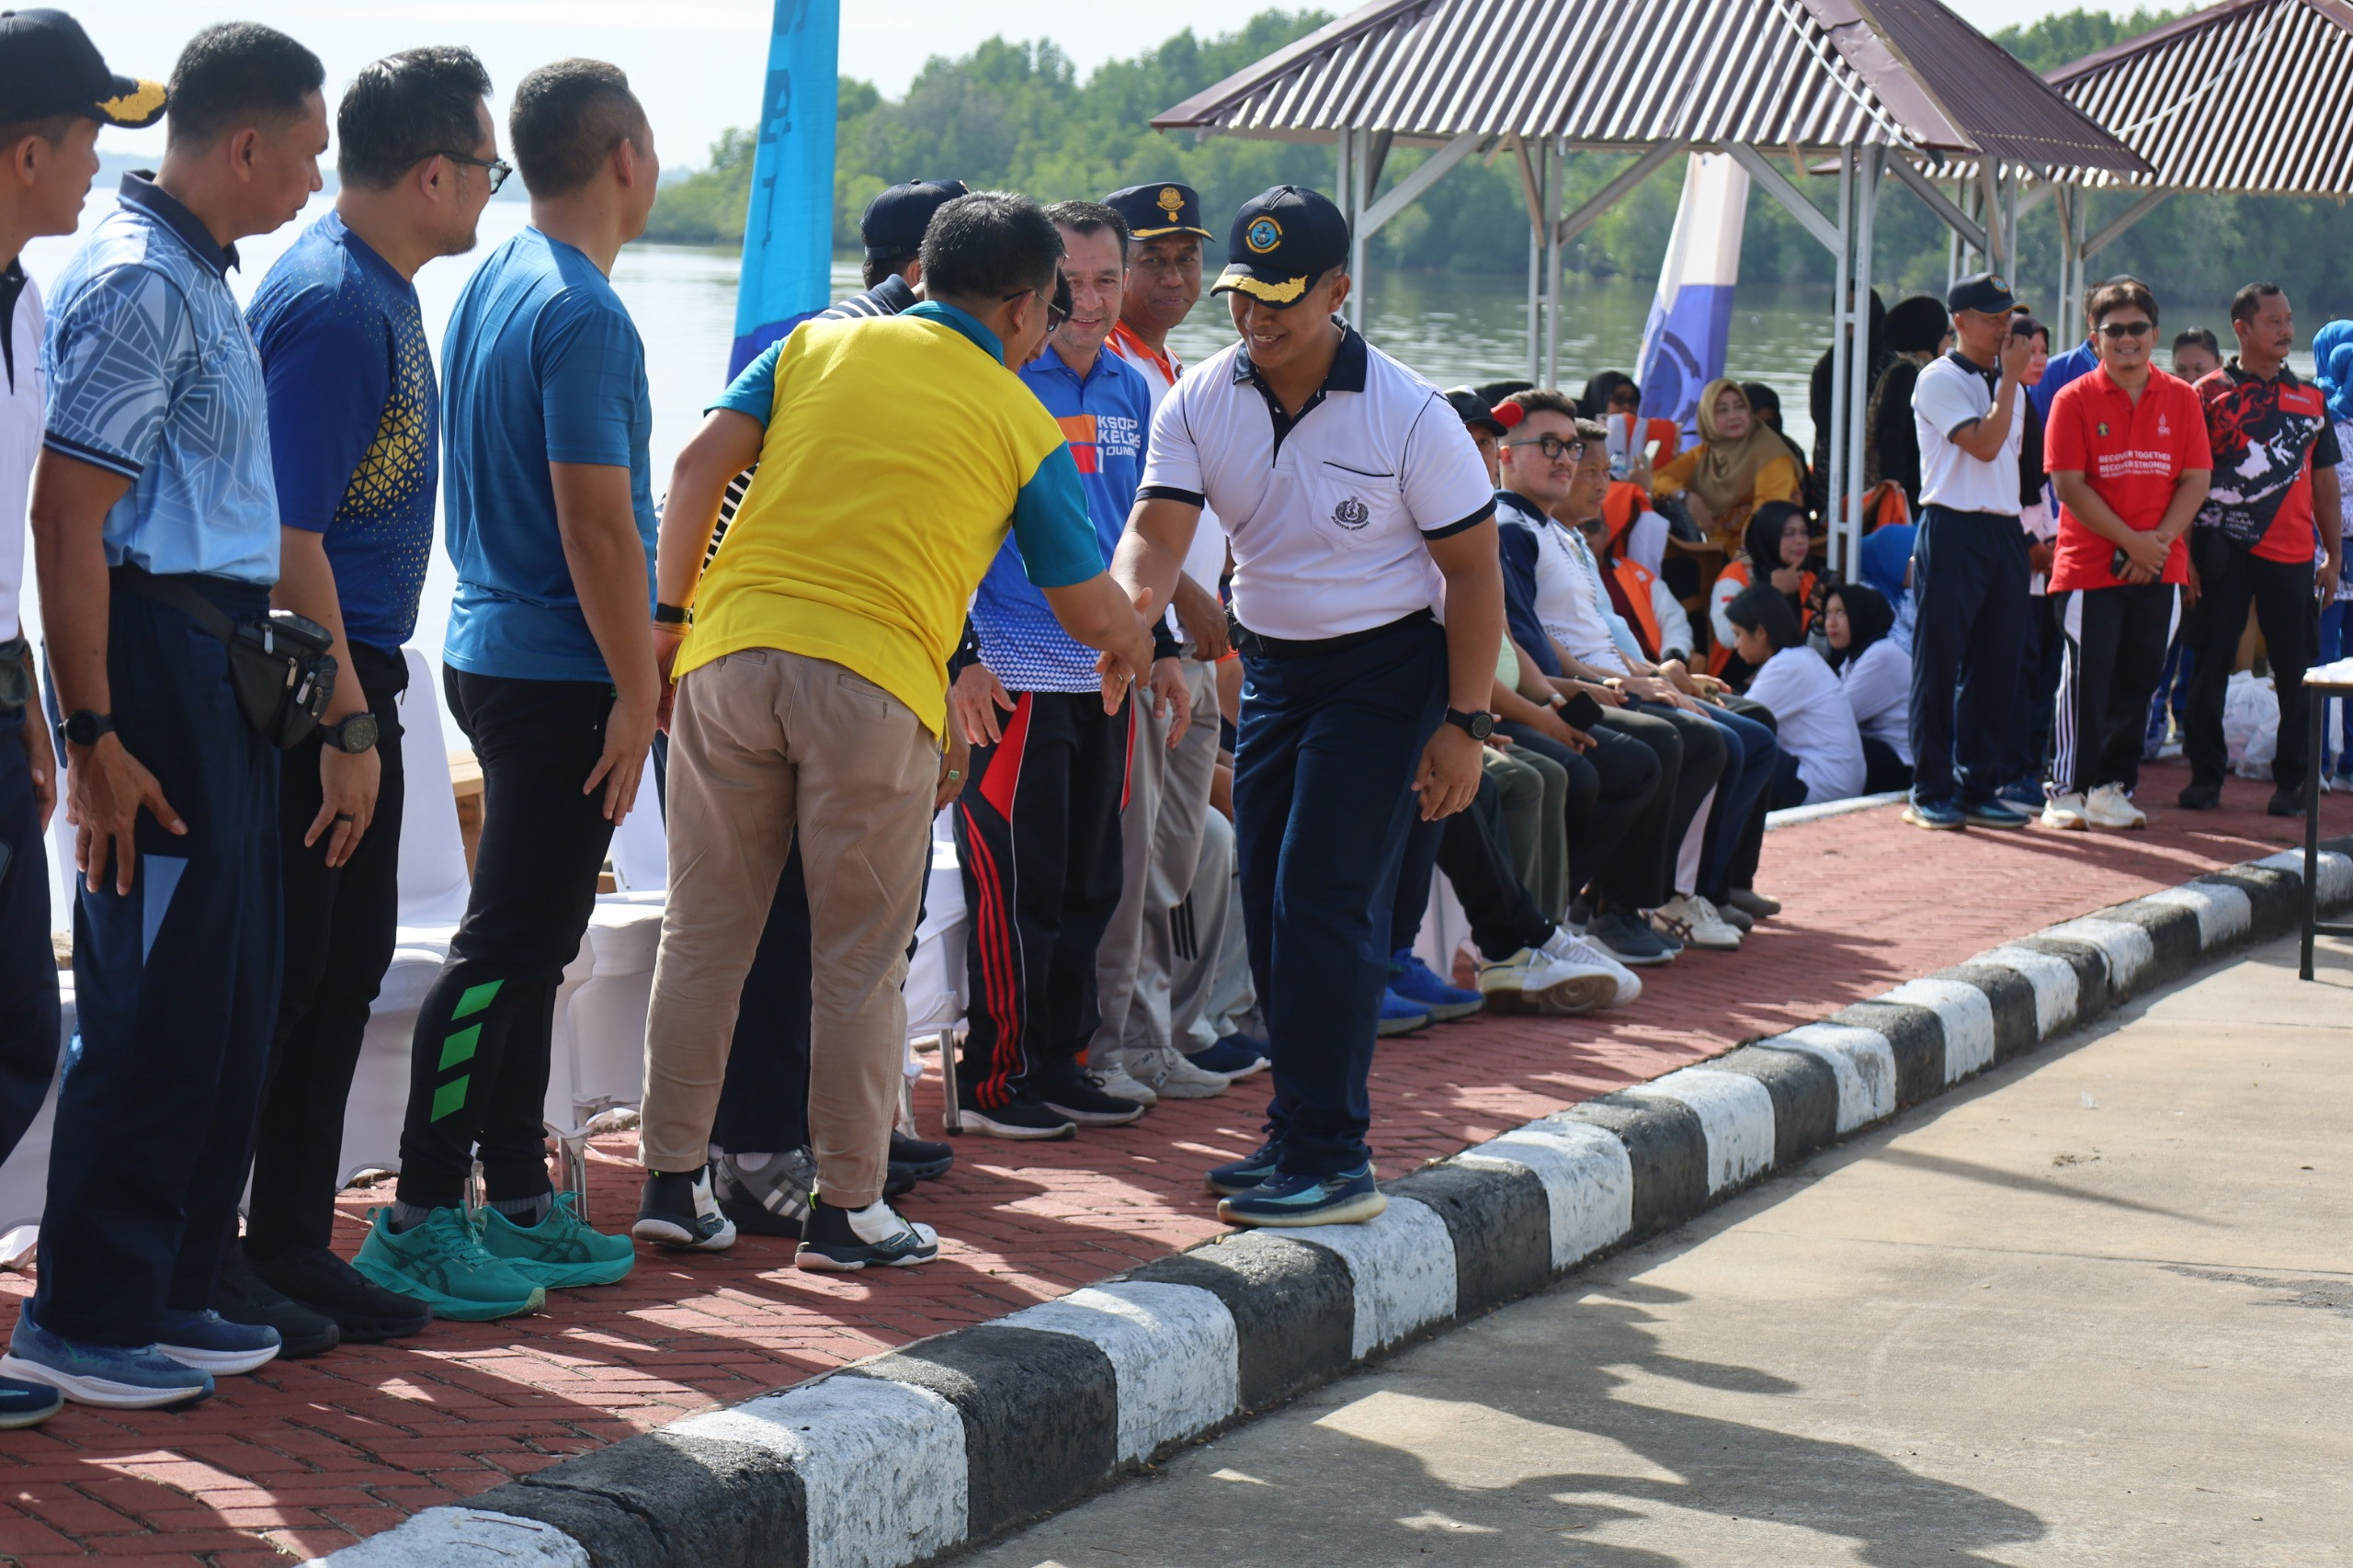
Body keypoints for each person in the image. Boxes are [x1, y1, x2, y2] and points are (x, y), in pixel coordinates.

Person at [636, 189, 1154, 1267]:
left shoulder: (816, 342)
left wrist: (668, 623)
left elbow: (694, 470)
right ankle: (849, 1210)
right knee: (860, 964)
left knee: (704, 937)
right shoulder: (1018, 416)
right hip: (870, 685)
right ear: (1022, 309)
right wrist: (1135, 644)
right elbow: (1083, 601)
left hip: (727, 658)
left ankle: (673, 1186)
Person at [12, 21, 320, 1412]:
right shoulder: (139, 284)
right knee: (152, 993)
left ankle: (170, 1283)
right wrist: (91, 727)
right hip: (153, 658)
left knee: (228, 996)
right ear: (245, 144)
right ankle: (86, 1306)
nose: (313, 177)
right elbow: (71, 516)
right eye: (306, 151)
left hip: (217, 661)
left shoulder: (199, 273)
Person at [1113, 184, 1503, 1228]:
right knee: (1266, 894)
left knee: (1323, 893)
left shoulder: (1409, 413)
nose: (1255, 318)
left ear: (1338, 289)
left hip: (1388, 668)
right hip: (1277, 665)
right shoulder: (1198, 396)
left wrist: (1463, 724)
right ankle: (1296, 1127)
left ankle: (1335, 1155)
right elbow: (1155, 530)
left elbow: (1472, 575)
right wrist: (1129, 615)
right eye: (1243, 296)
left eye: (1283, 298)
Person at [354, 59, 660, 1319]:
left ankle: (519, 1194)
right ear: (627, 157)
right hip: (557, 666)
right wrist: (640, 688)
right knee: (501, 950)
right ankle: (424, 1210)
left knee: (534, 946)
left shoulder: (494, 278)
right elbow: (597, 524)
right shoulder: (584, 310)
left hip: (490, 645)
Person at [227, 47, 502, 1356]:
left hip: (362, 667)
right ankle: (246, 1252)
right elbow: (288, 535)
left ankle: (288, 1240)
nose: (492, 190)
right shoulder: (339, 304)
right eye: (488, 168)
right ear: (435, 170)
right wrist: (344, 719)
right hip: (312, 679)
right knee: (294, 979)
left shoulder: (380, 289)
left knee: (338, 975)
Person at [683, 176, 971, 1244]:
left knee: (844, 927)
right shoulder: (850, 349)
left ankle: (834, 1137)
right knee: (783, 927)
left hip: (789, 661)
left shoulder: (860, 345)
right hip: (784, 666)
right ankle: (758, 1152)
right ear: (924, 275)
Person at [0, 6, 160, 1430]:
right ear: (27, 148)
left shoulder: (29, 302)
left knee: (14, 1029)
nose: (103, 166)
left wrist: (50, 702)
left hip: (1, 695)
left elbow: (32, 527)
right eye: (93, 136)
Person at [949, 199, 1162, 1136]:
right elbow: (945, 532)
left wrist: (1167, 653)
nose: (1087, 299)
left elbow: (1144, 537)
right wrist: (960, 656)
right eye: (1068, 282)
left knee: (1089, 885)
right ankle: (996, 1079)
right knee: (1015, 886)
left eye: (1105, 279)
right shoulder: (995, 379)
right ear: (1034, 289)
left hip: (1107, 670)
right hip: (1012, 669)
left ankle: (1064, 1061)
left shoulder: (1134, 389)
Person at [1090, 179, 1264, 1094]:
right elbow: (1112, 520)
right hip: (1142, 643)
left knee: (1175, 855)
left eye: (1186, 256)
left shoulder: (1175, 371)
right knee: (1148, 858)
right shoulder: (1103, 370)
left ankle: (1169, 1026)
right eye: (1150, 259)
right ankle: (1132, 1034)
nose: (1173, 273)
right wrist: (1187, 597)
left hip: (1192, 653)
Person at [2038, 280, 2211, 833]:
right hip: (2090, 566)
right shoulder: (2073, 398)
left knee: (2141, 679)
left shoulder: (2182, 398)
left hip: (2161, 565)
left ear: (2155, 335)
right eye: (2115, 330)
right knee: (2087, 678)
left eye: (2138, 329)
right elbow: (2069, 486)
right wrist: (2131, 542)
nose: (2128, 339)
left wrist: (2153, 545)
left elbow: (2196, 480)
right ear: (2096, 338)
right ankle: (2064, 789)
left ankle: (2112, 788)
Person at [2179, 283, 2343, 816]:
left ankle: (2294, 780)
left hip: (2292, 553)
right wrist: (2183, 554)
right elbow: (2185, 478)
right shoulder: (2205, 394)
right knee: (2209, 663)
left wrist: (2333, 555)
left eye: (2289, 319)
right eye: (2273, 321)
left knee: (2295, 669)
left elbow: (2324, 484)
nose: (2286, 330)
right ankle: (2204, 776)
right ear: (2242, 329)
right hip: (2220, 549)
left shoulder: (2311, 398)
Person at [1903, 271, 2037, 832]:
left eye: (2008, 315)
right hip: (1952, 525)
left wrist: (2008, 383)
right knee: (1939, 660)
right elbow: (1981, 446)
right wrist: (2008, 381)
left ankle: (1980, 783)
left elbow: (2016, 470)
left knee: (1997, 664)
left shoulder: (2013, 386)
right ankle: (1930, 786)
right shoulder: (1939, 379)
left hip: (2003, 530)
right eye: (1991, 316)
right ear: (1960, 322)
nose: (2005, 326)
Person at [2141, 324, 2226, 760]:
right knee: (2166, 642)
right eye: (2181, 370)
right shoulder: (2168, 409)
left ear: (2219, 366)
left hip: (2222, 545)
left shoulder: (2233, 413)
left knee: (2204, 645)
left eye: (2200, 369)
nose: (2192, 380)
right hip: (2175, 542)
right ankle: (2152, 727)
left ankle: (2192, 729)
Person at [1728, 585, 1865, 808]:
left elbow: (1737, 721)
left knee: (1738, 742)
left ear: (1761, 632)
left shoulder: (1786, 666)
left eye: (1738, 634)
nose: (1735, 644)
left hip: (1822, 785)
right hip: (1838, 780)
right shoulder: (1800, 658)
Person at [2004, 314, 2060, 809]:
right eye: (2029, 349)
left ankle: (2030, 762)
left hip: (2044, 559)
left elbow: (2041, 492)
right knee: (2017, 670)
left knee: (2042, 666)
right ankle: (2012, 767)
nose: (2037, 359)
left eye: (2044, 350)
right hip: (2017, 560)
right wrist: (2031, 546)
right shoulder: (2003, 404)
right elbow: (2003, 490)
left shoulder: (2031, 404)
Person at [1650, 379, 1802, 554]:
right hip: (1714, 552)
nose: (1733, 416)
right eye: (1722, 410)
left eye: (1740, 407)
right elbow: (1655, 479)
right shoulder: (1706, 453)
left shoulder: (1771, 454)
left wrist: (1735, 569)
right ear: (1707, 417)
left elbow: (1766, 519)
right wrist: (1686, 496)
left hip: (1759, 556)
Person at [1709, 501, 1815, 685]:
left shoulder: (1808, 578)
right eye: (1789, 534)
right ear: (1768, 535)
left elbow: (1817, 646)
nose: (1800, 540)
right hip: (1735, 685)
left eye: (1804, 532)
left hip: (1795, 679)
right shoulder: (1736, 574)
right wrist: (1775, 593)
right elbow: (1727, 636)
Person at [1864, 294, 1951, 512]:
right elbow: (1890, 429)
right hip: (1908, 490)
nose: (1951, 342)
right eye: (1947, 334)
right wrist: (1893, 480)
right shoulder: (1907, 372)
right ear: (1930, 337)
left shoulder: (1926, 370)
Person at [1824, 583, 1911, 792]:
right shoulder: (1854, 658)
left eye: (1840, 612)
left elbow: (1838, 716)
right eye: (1827, 613)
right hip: (1879, 752)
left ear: (1859, 613)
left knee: (1824, 745)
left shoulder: (1881, 655)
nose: (1831, 623)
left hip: (1903, 762)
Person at [2315, 320, 2353, 782]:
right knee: (2322, 661)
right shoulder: (2319, 420)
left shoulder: (2318, 416)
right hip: (2327, 554)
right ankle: (2323, 761)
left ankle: (2331, 763)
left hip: (2327, 552)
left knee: (2330, 661)